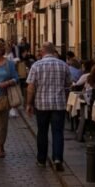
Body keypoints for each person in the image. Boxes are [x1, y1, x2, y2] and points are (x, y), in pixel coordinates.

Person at [26, 42, 71, 171]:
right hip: (59, 104)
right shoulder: (63, 65)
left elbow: (31, 87)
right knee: (57, 132)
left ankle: (41, 159)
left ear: (43, 51)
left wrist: (29, 103)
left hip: (41, 104)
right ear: (53, 51)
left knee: (42, 132)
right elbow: (69, 84)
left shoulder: (36, 65)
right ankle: (57, 158)